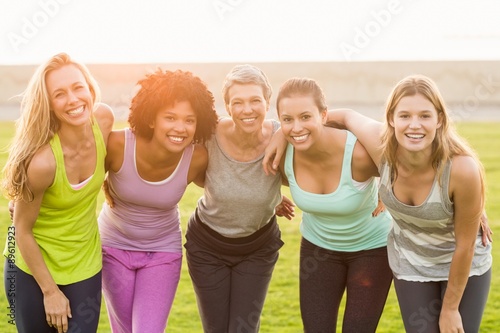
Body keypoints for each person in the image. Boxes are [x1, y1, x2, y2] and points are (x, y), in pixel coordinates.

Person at [267, 74, 493, 333]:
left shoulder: (460, 170)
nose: (414, 125)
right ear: (390, 119)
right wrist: (283, 134)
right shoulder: (380, 147)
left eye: (425, 116)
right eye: (405, 116)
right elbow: (344, 116)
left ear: (440, 119)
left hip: (459, 263)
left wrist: (473, 210)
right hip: (411, 263)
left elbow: (465, 243)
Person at [98, 69, 218, 333]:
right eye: (171, 118)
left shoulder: (196, 158)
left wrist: (272, 198)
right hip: (113, 248)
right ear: (152, 119)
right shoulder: (118, 145)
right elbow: (81, 176)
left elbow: (227, 185)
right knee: (124, 329)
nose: (180, 128)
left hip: (162, 253)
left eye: (189, 120)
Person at [269, 77, 393, 332]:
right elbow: (250, 178)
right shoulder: (283, 157)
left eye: (306, 116)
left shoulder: (358, 154)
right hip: (318, 251)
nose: (296, 128)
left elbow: (415, 163)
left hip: (372, 251)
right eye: (287, 119)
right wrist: (271, 200)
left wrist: (470, 207)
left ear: (324, 115)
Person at [2, 53, 114, 333]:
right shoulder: (43, 162)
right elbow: (22, 230)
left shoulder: (104, 120)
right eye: (60, 94)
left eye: (78, 87)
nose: (74, 100)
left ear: (89, 87)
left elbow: (113, 163)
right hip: (30, 266)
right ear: (49, 104)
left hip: (83, 264)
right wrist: (50, 292)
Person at [184, 64, 295, 333]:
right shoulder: (209, 135)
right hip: (207, 247)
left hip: (257, 249)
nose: (247, 110)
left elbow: (326, 124)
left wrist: (282, 132)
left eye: (255, 100)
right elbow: (200, 177)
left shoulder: (284, 134)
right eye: (238, 102)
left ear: (268, 102)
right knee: (216, 329)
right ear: (228, 106)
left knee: (243, 329)